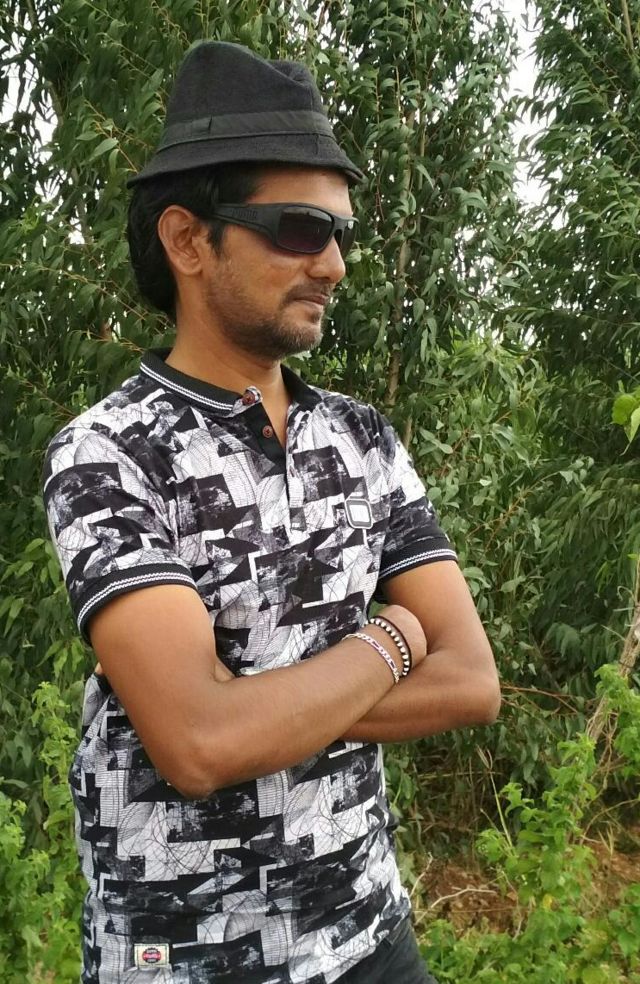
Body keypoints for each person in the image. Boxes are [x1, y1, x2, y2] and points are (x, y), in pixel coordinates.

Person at [42, 40, 500, 984]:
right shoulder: (110, 453)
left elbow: (472, 681)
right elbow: (199, 744)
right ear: (187, 241)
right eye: (299, 228)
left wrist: (254, 706)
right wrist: (394, 639)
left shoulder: (362, 438)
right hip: (183, 956)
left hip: (371, 933)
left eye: (341, 234)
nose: (334, 265)